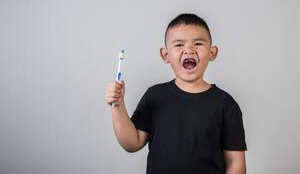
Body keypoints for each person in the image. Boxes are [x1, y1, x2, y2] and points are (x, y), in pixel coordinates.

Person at [105, 13, 247, 174]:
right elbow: (132, 143)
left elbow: (236, 162)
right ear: (165, 55)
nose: (189, 50)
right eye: (179, 45)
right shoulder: (154, 96)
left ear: (212, 52)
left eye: (198, 43)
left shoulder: (225, 104)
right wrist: (117, 105)